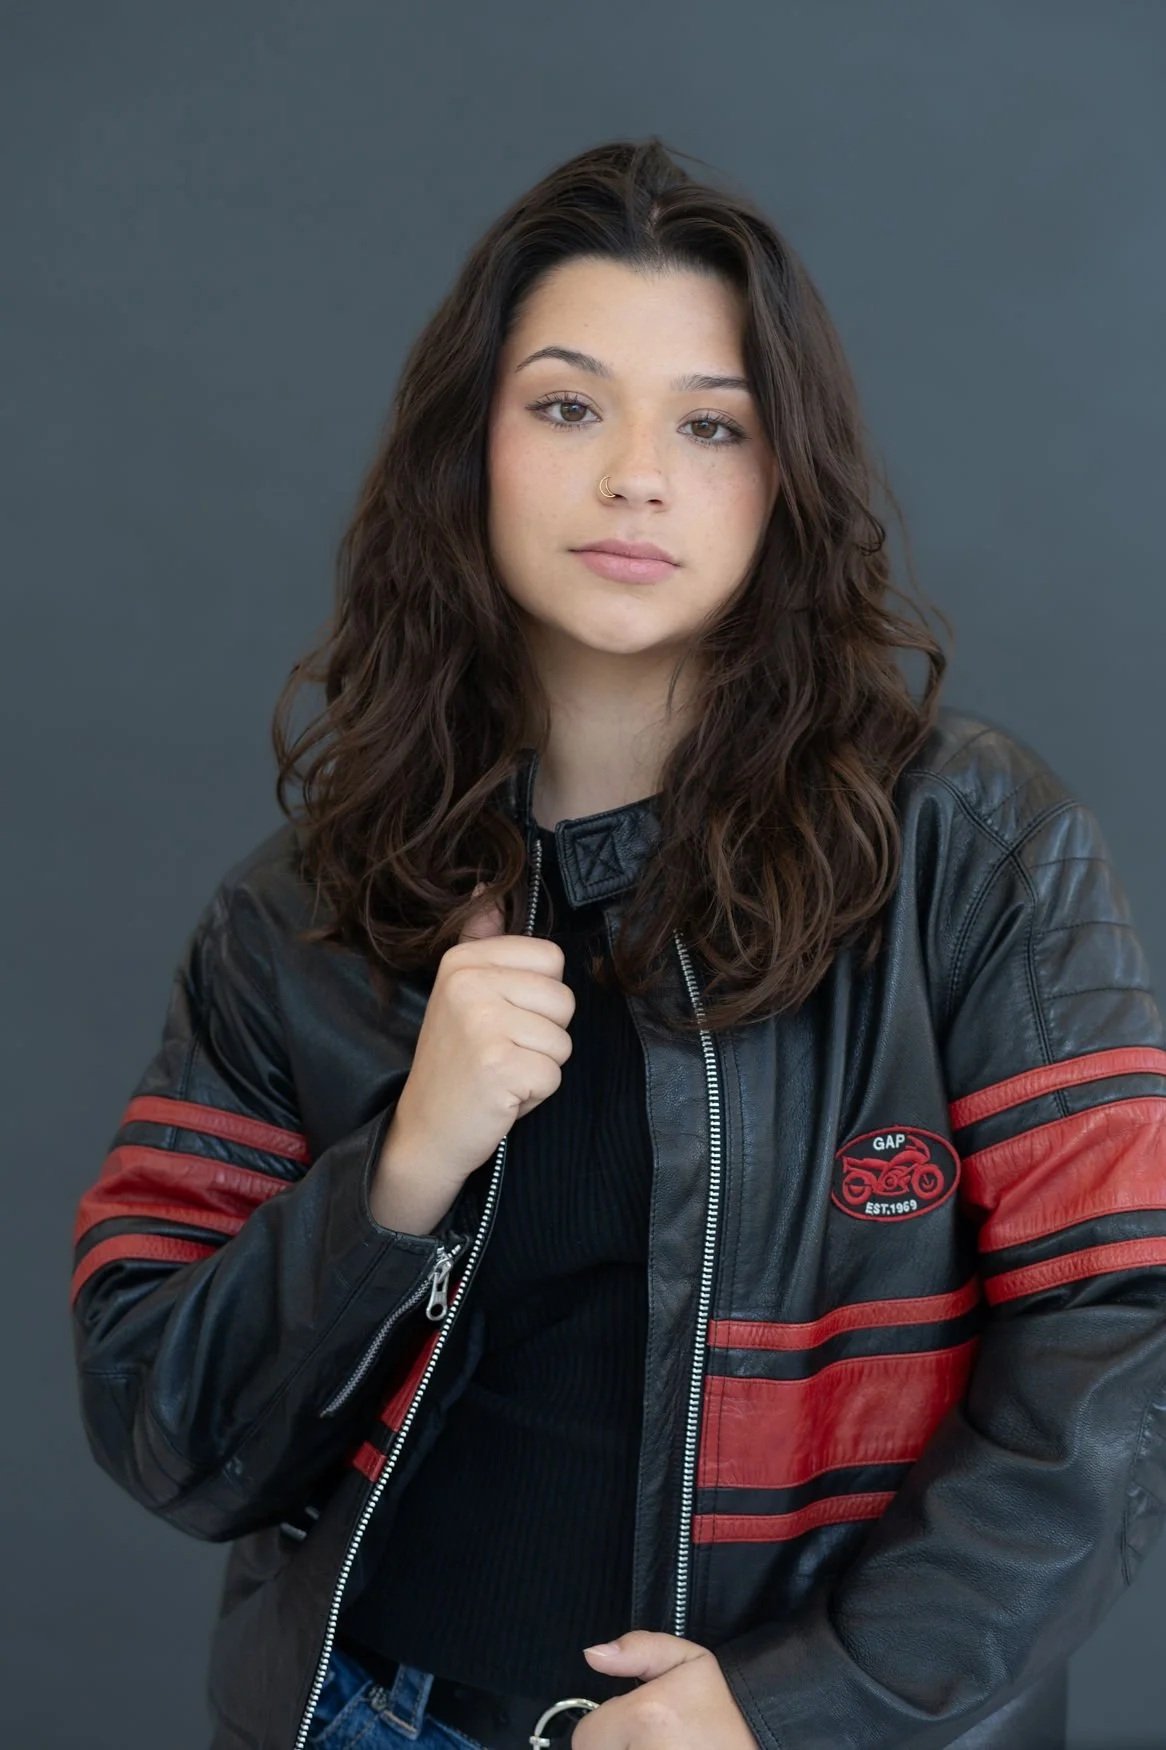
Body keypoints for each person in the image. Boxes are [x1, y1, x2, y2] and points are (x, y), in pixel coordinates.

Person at [69, 136, 1166, 1750]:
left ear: (783, 477)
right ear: (471, 448)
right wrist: (402, 1166)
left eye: (710, 423)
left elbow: (1121, 1335)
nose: (636, 475)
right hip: (371, 1716)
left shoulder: (965, 844)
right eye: (568, 406)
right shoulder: (299, 914)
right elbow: (162, 1423)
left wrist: (800, 1704)